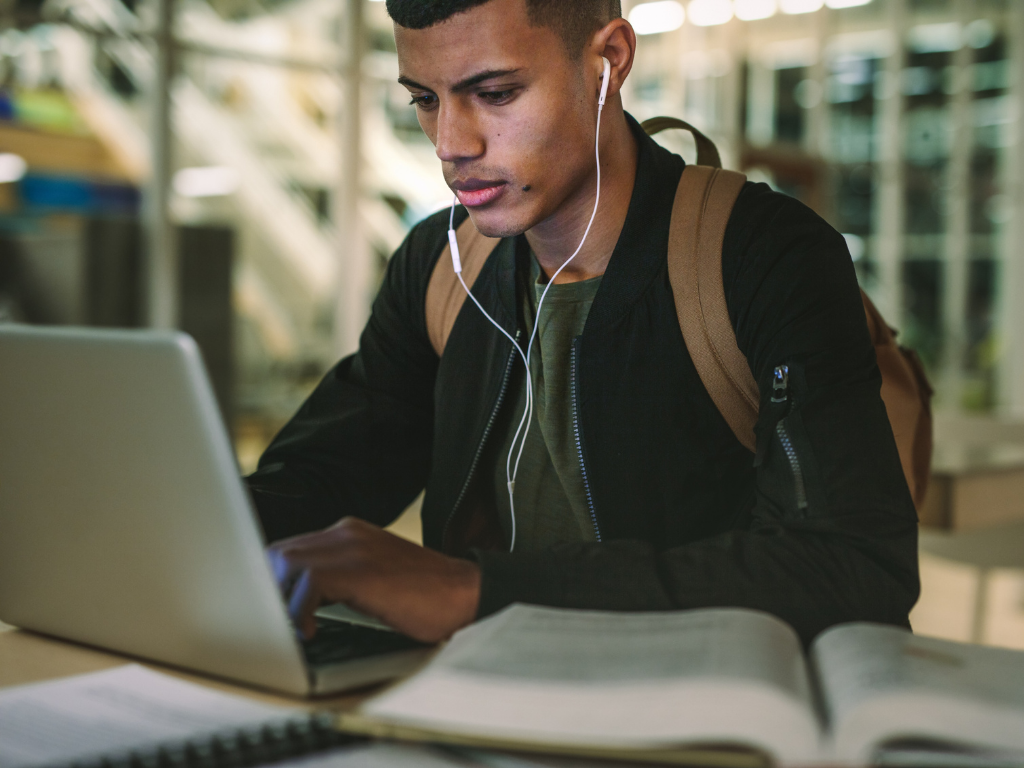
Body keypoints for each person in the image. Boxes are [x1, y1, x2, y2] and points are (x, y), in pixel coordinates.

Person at [250, 0, 919, 647]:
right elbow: (321, 475)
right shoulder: (440, 264)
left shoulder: (762, 255)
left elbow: (855, 566)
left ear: (610, 61)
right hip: (472, 707)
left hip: (687, 715)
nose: (452, 145)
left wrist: (481, 591)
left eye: (497, 93)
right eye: (425, 99)